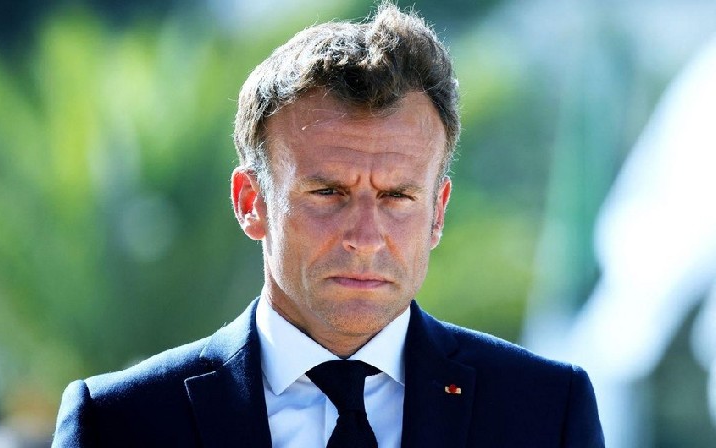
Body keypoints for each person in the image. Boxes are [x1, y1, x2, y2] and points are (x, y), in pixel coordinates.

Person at [52, 3, 604, 447]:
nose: (364, 237)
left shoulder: (546, 410)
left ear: (437, 212)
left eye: (396, 196)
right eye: (328, 193)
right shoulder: (119, 423)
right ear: (250, 201)